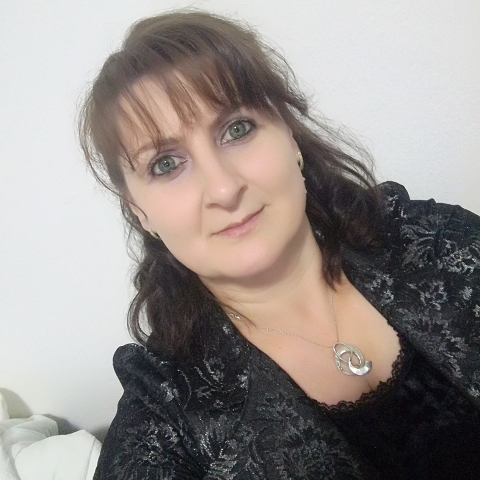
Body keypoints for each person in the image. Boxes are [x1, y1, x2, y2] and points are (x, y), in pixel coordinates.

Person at [78, 10, 480, 479]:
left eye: (237, 129)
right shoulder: (165, 417)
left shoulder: (430, 238)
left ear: (290, 136)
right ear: (140, 212)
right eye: (166, 164)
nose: (224, 188)